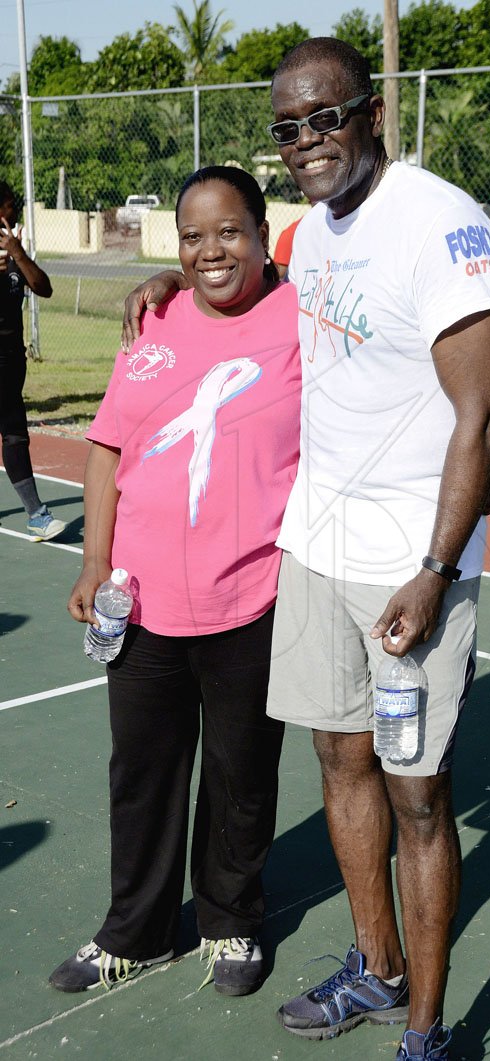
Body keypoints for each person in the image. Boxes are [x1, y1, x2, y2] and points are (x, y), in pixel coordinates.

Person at [120, 39, 490, 1061]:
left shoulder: (441, 221)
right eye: (287, 129)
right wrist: (175, 273)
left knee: (418, 795)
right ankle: (375, 969)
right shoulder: (314, 231)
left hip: (408, 564)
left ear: (370, 112)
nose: (306, 143)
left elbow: (482, 416)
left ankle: (426, 1029)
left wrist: (434, 571)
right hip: (317, 546)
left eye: (324, 119)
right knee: (340, 760)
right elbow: (268, 279)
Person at [48, 166, 301, 997]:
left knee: (240, 776)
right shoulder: (153, 315)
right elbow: (108, 449)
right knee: (143, 775)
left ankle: (230, 922)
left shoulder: (301, 319)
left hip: (252, 599)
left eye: (229, 230)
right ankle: (137, 930)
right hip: (144, 599)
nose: (210, 249)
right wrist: (94, 561)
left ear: (263, 234)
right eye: (192, 236)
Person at [0, 181, 65, 541]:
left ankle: (36, 515)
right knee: (14, 434)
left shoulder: (14, 252)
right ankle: (37, 515)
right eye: (11, 206)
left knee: (13, 434)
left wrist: (19, 254)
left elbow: (45, 288)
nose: (16, 211)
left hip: (11, 361)